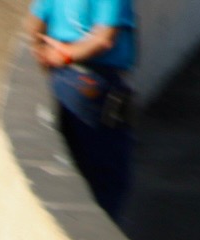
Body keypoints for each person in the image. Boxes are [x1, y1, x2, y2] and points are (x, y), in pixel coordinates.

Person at [27, 0, 137, 219]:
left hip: (63, 80)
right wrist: (66, 55)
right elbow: (104, 38)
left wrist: (45, 55)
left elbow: (34, 23)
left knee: (74, 167)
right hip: (95, 84)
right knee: (107, 176)